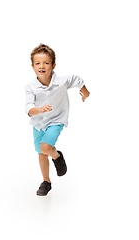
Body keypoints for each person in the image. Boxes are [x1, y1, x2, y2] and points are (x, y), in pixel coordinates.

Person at [25, 44, 90, 196]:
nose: (42, 66)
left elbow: (76, 79)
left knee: (46, 148)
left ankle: (57, 156)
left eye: (46, 63)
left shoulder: (61, 81)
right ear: (32, 66)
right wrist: (39, 110)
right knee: (41, 153)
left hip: (56, 119)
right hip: (38, 123)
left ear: (53, 65)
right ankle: (46, 181)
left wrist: (85, 92)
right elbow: (28, 108)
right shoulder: (30, 87)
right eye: (38, 63)